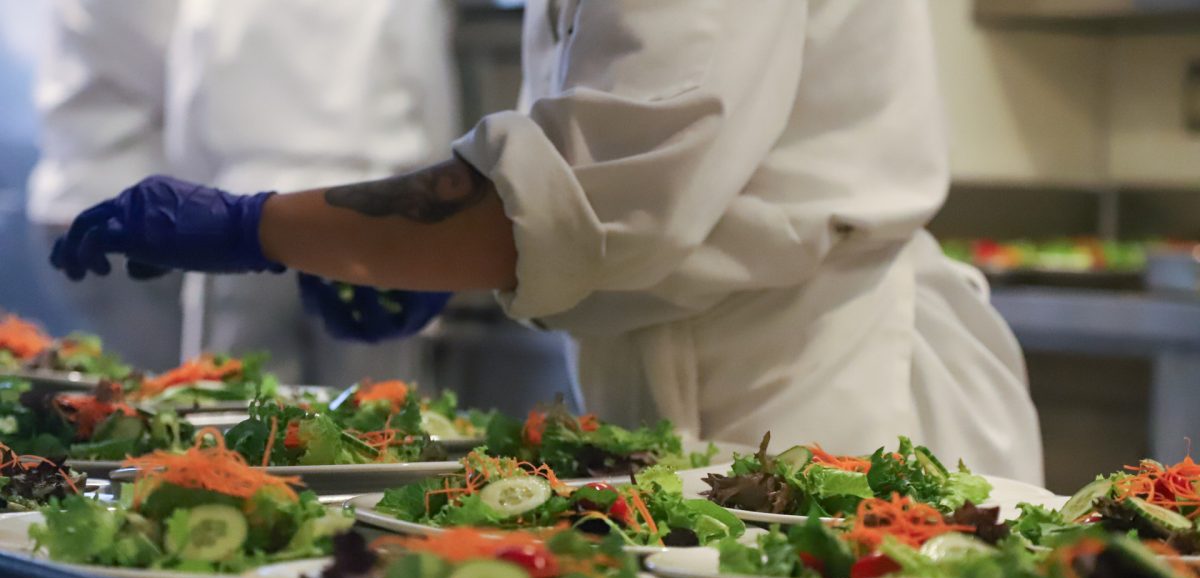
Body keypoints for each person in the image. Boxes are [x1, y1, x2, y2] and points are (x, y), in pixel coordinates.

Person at [50, 0, 1045, 482]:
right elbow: (586, 180)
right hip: (695, 387)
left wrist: (255, 224)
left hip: (827, 410)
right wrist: (426, 252)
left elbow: (600, 194)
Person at [29, 0, 459, 384]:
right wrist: (425, 219)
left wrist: (209, 198)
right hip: (366, 218)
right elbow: (432, 105)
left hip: (245, 218)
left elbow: (191, 103)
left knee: (233, 408)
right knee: (374, 411)